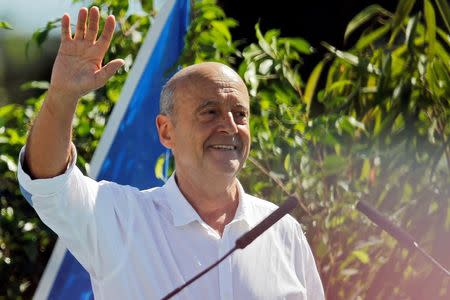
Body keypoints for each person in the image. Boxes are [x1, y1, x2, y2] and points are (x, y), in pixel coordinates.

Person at [17, 6, 325, 300]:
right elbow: (48, 182)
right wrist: (61, 97)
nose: (230, 127)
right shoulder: (120, 220)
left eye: (240, 114)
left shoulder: (283, 231)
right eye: (210, 112)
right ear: (166, 131)